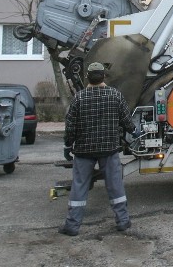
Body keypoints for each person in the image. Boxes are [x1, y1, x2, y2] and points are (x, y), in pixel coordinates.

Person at [60, 62, 136, 236]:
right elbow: (127, 121)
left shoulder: (79, 98)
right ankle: (123, 221)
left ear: (87, 77)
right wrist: (134, 131)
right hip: (109, 149)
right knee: (115, 186)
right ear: (104, 76)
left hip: (83, 151)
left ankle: (72, 225)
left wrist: (67, 144)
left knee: (79, 187)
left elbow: (70, 126)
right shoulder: (115, 95)